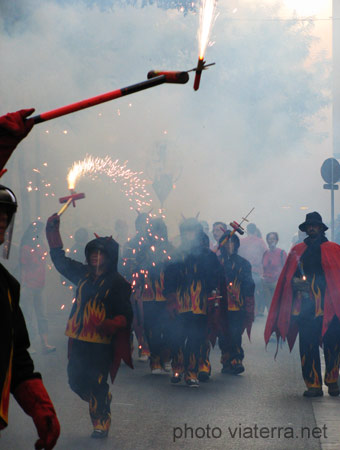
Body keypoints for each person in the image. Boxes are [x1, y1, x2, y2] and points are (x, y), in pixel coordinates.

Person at [0, 110, 60, 449]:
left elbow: (15, 354)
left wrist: (41, 408)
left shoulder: (5, 286)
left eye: (4, 215)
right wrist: (3, 146)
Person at [46, 213, 133, 438]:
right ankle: (100, 398)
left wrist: (110, 323)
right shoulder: (82, 273)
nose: (95, 256)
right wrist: (53, 232)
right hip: (78, 337)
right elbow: (60, 262)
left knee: (97, 380)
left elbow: (126, 314)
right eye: (93, 252)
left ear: (109, 257)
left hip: (102, 342)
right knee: (75, 380)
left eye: (100, 253)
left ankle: (100, 419)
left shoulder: (118, 283)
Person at [265, 212, 340, 397]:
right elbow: (288, 277)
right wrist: (294, 283)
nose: (312, 228)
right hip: (305, 306)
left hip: (329, 305)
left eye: (315, 225)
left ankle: (332, 380)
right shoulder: (297, 250)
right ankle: (313, 384)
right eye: (309, 226)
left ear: (321, 228)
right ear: (306, 229)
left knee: (333, 343)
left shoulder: (333, 249)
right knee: (307, 345)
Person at [164, 218, 220, 387]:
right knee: (178, 337)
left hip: (200, 304)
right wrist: (171, 301)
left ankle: (192, 372)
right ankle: (178, 367)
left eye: (192, 231)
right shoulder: (175, 254)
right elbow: (169, 280)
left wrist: (212, 299)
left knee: (196, 338)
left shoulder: (208, 255)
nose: (189, 235)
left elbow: (215, 280)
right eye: (186, 231)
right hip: (180, 303)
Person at [134, 218, 174, 373]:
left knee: (169, 328)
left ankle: (167, 357)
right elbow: (137, 269)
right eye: (154, 230)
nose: (157, 234)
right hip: (149, 295)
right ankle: (155, 359)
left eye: (160, 230)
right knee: (152, 329)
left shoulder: (171, 248)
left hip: (166, 296)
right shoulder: (144, 249)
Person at [218, 231, 255, 374]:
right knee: (222, 334)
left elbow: (249, 285)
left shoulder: (243, 263)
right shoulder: (217, 262)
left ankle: (236, 359)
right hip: (220, 306)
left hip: (237, 305)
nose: (229, 245)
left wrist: (249, 304)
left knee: (235, 333)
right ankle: (226, 360)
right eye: (226, 242)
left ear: (237, 244)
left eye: (232, 242)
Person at [19, 221, 56, 354]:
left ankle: (44, 343)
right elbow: (23, 267)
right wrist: (23, 284)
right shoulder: (26, 248)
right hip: (29, 286)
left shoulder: (41, 246)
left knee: (42, 316)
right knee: (28, 316)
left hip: (40, 286)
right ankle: (28, 346)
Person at [239, 223, 267, 316]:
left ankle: (246, 311)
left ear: (247, 230)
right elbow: (265, 255)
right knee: (255, 293)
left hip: (243, 272)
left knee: (245, 292)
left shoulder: (242, 241)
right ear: (255, 230)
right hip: (256, 271)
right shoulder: (260, 242)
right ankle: (254, 311)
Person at [262, 232, 287, 313]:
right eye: (269, 239)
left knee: (277, 306)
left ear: (277, 240)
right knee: (269, 306)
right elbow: (263, 267)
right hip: (266, 283)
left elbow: (286, 268)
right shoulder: (265, 253)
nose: (271, 240)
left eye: (273, 238)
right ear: (267, 240)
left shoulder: (281, 253)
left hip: (277, 283)